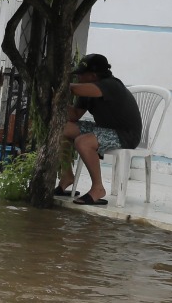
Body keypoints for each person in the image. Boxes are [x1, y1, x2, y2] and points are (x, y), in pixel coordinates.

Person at [57, 53, 142, 205]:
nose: (78, 78)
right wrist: (56, 101)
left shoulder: (111, 84)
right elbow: (75, 115)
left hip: (125, 135)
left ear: (93, 75)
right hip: (103, 129)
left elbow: (76, 89)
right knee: (61, 129)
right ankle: (67, 177)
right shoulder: (86, 90)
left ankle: (98, 188)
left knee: (83, 142)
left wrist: (60, 85)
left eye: (81, 75)